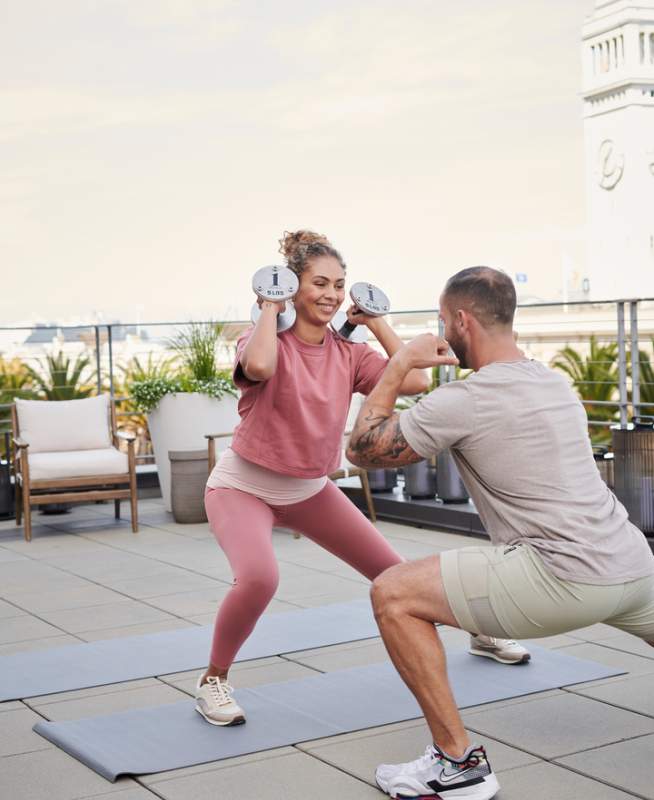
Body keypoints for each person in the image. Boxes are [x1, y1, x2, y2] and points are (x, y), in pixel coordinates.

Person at [346, 266, 654, 800]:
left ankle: (457, 765)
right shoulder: (556, 382)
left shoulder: (465, 400)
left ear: (462, 321)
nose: (441, 333)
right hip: (634, 564)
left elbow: (363, 451)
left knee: (392, 594)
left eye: (443, 322)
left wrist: (397, 365)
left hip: (561, 577)